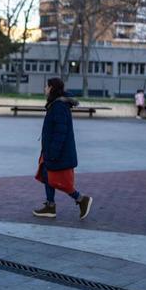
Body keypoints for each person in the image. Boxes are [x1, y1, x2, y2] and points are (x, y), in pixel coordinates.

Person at [33, 78, 93, 220]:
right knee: (47, 175)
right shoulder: (55, 104)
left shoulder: (59, 106)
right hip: (51, 150)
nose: (44, 89)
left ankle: (81, 199)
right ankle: (50, 205)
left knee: (60, 181)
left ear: (52, 88)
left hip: (57, 152)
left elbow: (61, 131)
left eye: (46, 87)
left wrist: (53, 152)